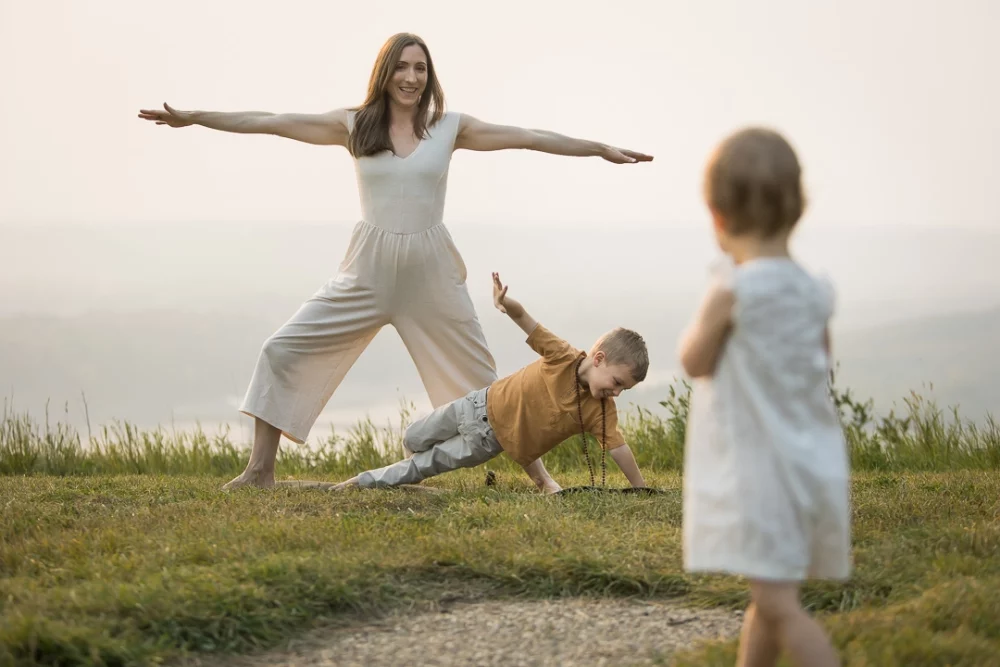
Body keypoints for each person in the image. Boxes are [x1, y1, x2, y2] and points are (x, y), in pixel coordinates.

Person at [138, 32, 653, 491]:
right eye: (402, 67)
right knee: (281, 349)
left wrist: (598, 148)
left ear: (429, 78)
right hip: (368, 270)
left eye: (421, 68)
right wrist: (194, 118)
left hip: (431, 272)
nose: (411, 77)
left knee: (482, 379)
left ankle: (541, 480)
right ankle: (260, 470)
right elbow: (271, 122)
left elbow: (530, 137)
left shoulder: (449, 128)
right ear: (385, 73)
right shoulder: (354, 125)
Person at [677, 127, 851, 667]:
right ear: (797, 208)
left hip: (759, 474)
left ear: (718, 216)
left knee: (779, 605)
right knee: (770, 598)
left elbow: (693, 362)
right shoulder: (815, 290)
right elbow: (819, 361)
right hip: (811, 464)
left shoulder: (733, 290)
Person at [331, 272, 649, 493]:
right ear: (599, 359)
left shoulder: (600, 412)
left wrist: (640, 488)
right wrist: (504, 304)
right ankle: (400, 468)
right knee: (414, 436)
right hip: (476, 403)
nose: (617, 392)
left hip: (485, 442)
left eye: (624, 390)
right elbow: (528, 322)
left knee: (424, 466)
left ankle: (363, 483)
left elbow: (619, 449)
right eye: (617, 382)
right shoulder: (562, 355)